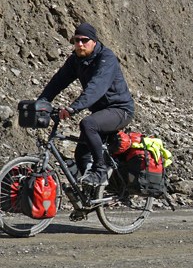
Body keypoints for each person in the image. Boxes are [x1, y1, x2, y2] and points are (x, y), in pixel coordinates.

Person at [38, 23, 134, 187]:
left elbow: (97, 86)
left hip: (120, 110)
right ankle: (88, 199)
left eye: (84, 40)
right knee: (81, 154)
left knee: (88, 124)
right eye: (76, 41)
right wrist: (41, 102)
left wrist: (74, 108)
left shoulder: (106, 58)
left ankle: (100, 171)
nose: (80, 44)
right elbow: (58, 81)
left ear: (94, 41)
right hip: (100, 112)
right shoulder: (76, 59)